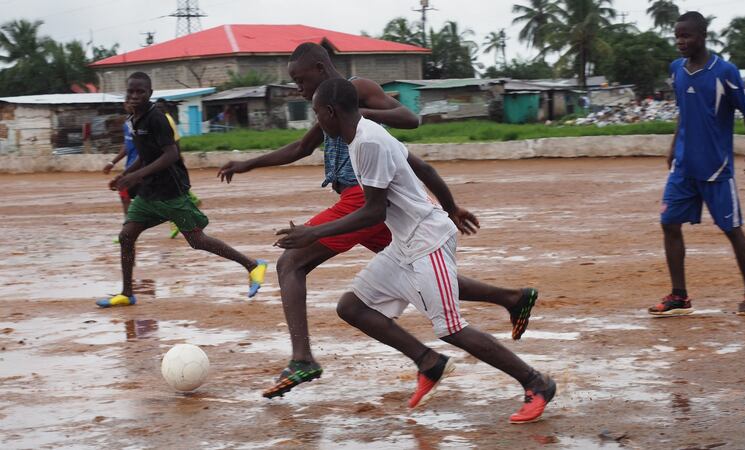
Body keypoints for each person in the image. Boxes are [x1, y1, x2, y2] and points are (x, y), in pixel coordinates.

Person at [218, 43, 539, 398]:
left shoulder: (353, 98)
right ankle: (509, 300)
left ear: (321, 69)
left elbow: (410, 120)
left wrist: (359, 112)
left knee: (291, 263)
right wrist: (247, 163)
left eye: (299, 79)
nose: (296, 87)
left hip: (367, 200)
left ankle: (302, 358)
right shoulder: (327, 106)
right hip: (383, 209)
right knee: (420, 273)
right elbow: (301, 148)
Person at [275, 78, 556, 423]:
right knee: (352, 306)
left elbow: (373, 211)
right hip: (406, 241)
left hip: (427, 240)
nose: (316, 121)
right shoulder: (363, 135)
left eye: (317, 113)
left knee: (450, 327)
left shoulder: (367, 143)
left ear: (330, 112)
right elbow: (423, 168)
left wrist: (312, 233)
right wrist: (451, 207)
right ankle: (428, 362)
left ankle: (536, 383)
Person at [97, 72, 267, 308]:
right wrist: (125, 175)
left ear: (150, 94)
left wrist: (136, 175)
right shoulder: (133, 119)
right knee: (126, 236)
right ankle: (127, 293)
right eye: (131, 92)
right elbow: (146, 156)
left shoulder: (158, 118)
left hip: (171, 192)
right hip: (148, 193)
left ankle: (253, 265)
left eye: (140, 92)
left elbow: (171, 154)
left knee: (197, 240)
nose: (135, 96)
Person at [648, 12, 745, 317]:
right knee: (668, 224)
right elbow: (684, 112)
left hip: (716, 169)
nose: (680, 42)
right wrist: (674, 145)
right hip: (684, 168)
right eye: (677, 36)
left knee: (732, 229)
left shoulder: (725, 71)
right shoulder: (676, 70)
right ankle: (679, 296)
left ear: (702, 36)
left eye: (686, 36)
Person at [154, 97, 203, 239]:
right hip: (167, 160)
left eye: (159, 107)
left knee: (169, 193)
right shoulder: (165, 119)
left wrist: (176, 157)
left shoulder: (166, 120)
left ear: (164, 108)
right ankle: (192, 201)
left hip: (168, 161)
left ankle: (176, 222)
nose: (157, 109)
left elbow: (175, 142)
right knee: (176, 190)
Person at [104, 102, 139, 217]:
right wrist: (112, 162)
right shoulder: (127, 123)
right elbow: (127, 145)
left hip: (142, 166)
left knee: (153, 199)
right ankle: (128, 225)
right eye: (127, 102)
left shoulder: (143, 124)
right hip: (131, 166)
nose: (129, 104)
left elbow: (146, 150)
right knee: (124, 192)